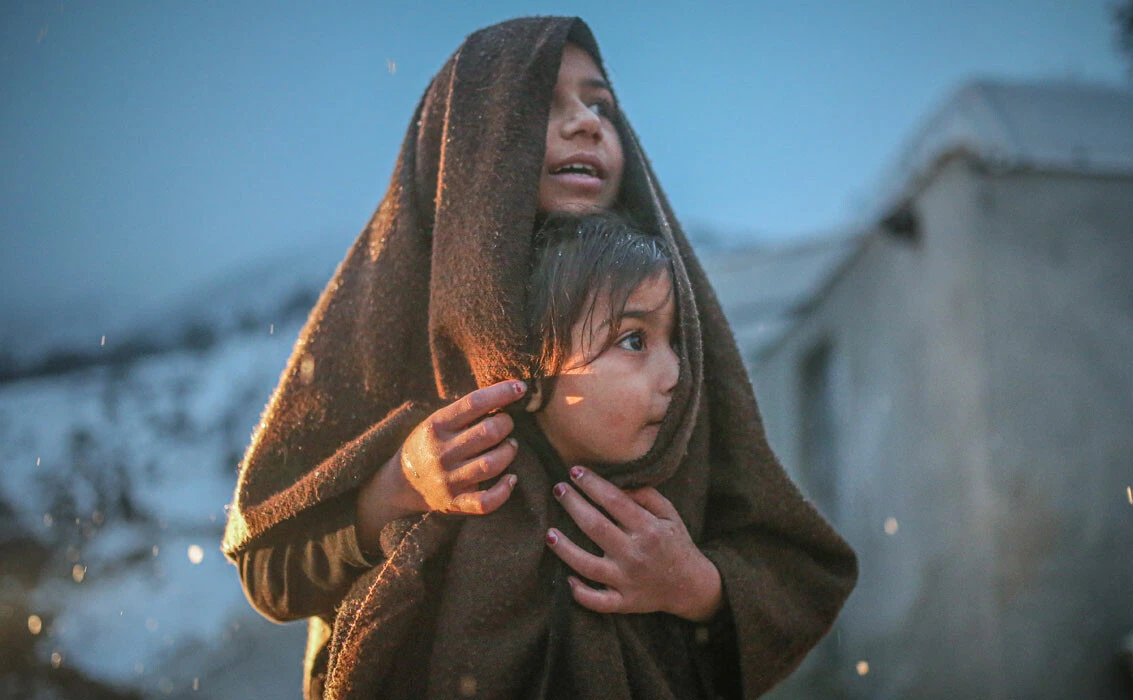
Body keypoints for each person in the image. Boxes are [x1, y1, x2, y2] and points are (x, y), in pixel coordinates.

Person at [223, 17, 857, 700]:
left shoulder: (675, 356)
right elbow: (270, 564)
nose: (585, 123)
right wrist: (396, 488)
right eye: (543, 106)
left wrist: (695, 586)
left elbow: (797, 572)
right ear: (465, 152)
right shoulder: (386, 337)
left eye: (600, 104)